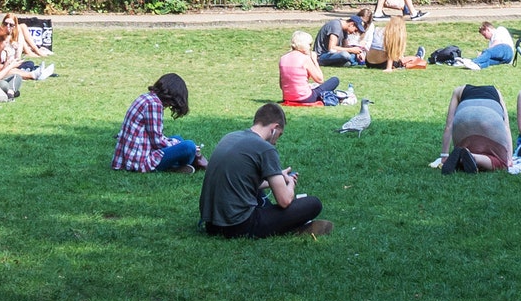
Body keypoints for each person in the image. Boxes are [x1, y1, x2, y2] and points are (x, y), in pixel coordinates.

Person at [200, 103, 329, 238]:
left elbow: (241, 181)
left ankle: (283, 223)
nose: (276, 142)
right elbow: (284, 201)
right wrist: (290, 184)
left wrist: (278, 177)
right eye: (279, 135)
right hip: (238, 225)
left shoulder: (231, 136)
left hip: (212, 224)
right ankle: (292, 226)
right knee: (313, 204)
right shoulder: (265, 148)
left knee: (260, 192)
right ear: (275, 128)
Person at [114, 74, 206, 172]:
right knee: (189, 146)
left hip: (131, 155)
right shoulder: (154, 104)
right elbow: (157, 141)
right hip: (140, 161)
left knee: (178, 138)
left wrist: (177, 142)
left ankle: (176, 166)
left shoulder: (147, 97)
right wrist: (179, 144)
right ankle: (175, 166)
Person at [438, 81, 517, 172]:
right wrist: (509, 158)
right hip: (490, 118)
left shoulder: (458, 91)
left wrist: (444, 155)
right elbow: (506, 126)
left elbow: (449, 125)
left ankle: (461, 157)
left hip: (463, 118)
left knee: (466, 149)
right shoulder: (497, 92)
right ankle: (474, 158)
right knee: (501, 163)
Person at [278, 32, 349, 107]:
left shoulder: (283, 58)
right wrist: (314, 60)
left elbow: (281, 85)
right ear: (303, 44)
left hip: (287, 97)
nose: (310, 47)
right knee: (335, 80)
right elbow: (320, 79)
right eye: (309, 45)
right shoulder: (305, 58)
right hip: (305, 98)